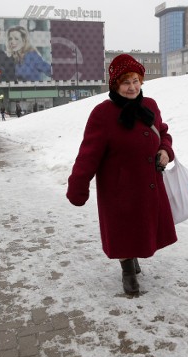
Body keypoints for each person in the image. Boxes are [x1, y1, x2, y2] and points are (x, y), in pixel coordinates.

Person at [66, 54, 177, 295]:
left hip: (148, 184)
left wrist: (165, 151)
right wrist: (78, 185)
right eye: (126, 82)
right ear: (115, 85)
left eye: (136, 80)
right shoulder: (102, 114)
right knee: (124, 230)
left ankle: (133, 259)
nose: (132, 87)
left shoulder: (150, 106)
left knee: (142, 228)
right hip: (119, 188)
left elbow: (163, 133)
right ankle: (128, 271)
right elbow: (88, 154)